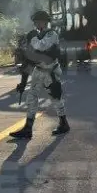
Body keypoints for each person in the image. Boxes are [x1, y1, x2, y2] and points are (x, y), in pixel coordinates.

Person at [10, 10, 70, 138]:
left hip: (50, 71)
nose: (36, 24)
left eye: (38, 21)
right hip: (38, 70)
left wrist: (32, 38)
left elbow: (41, 46)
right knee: (31, 97)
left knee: (55, 98)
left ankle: (64, 123)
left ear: (45, 22)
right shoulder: (35, 35)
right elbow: (29, 58)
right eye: (35, 22)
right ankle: (28, 128)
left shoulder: (51, 34)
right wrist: (23, 82)